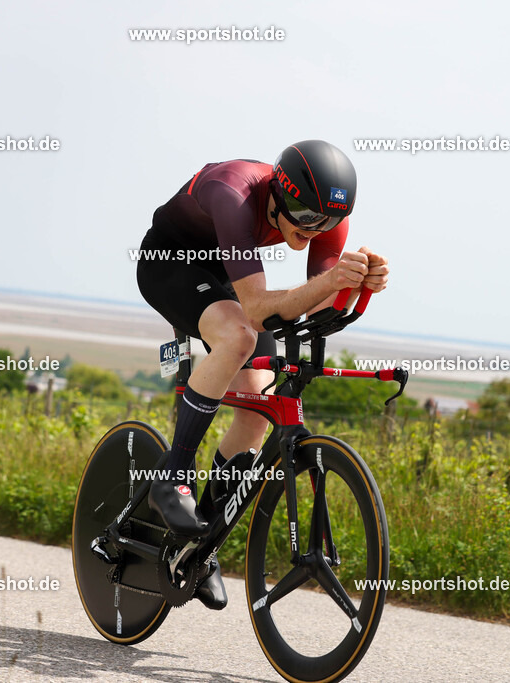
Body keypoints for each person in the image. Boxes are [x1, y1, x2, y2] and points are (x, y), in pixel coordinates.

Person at [135, 140, 388, 609]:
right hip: (171, 262)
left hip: (231, 274)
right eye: (307, 219)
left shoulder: (323, 213)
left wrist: (352, 285)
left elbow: (316, 300)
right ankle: (172, 476)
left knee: (256, 412)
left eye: (328, 223)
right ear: (280, 195)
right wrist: (332, 283)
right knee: (238, 336)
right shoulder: (234, 192)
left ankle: (198, 548)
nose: (316, 231)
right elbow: (254, 312)